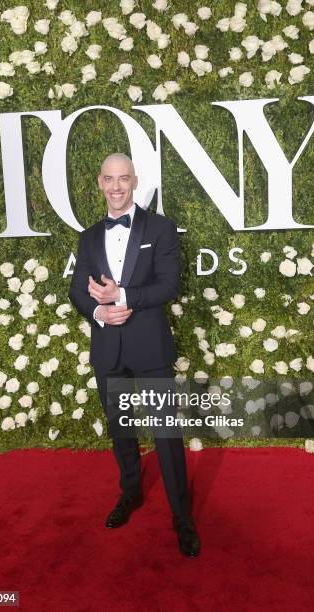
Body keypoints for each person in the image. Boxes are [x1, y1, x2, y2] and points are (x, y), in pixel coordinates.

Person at [68, 152, 200, 557]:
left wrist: (123, 296)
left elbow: (168, 286)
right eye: (109, 179)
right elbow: (76, 290)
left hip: (149, 347)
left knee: (165, 433)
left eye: (123, 178)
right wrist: (99, 311)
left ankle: (182, 517)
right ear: (99, 182)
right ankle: (130, 493)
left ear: (135, 181)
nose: (116, 186)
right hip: (108, 348)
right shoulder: (89, 236)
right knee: (121, 428)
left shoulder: (160, 229)